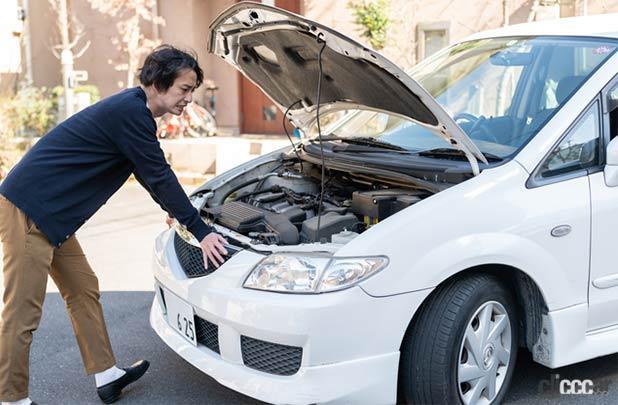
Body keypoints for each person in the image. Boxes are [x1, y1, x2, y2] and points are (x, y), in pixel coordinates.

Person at [0, 45, 228, 405]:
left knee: (83, 288)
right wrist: (200, 231)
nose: (189, 98)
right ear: (157, 82)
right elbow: (159, 174)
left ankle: (106, 375)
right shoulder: (130, 113)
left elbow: (148, 172)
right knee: (22, 312)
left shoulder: (134, 112)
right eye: (184, 89)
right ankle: (11, 398)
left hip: (53, 216)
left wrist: (171, 209)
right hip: (29, 209)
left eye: (191, 90)